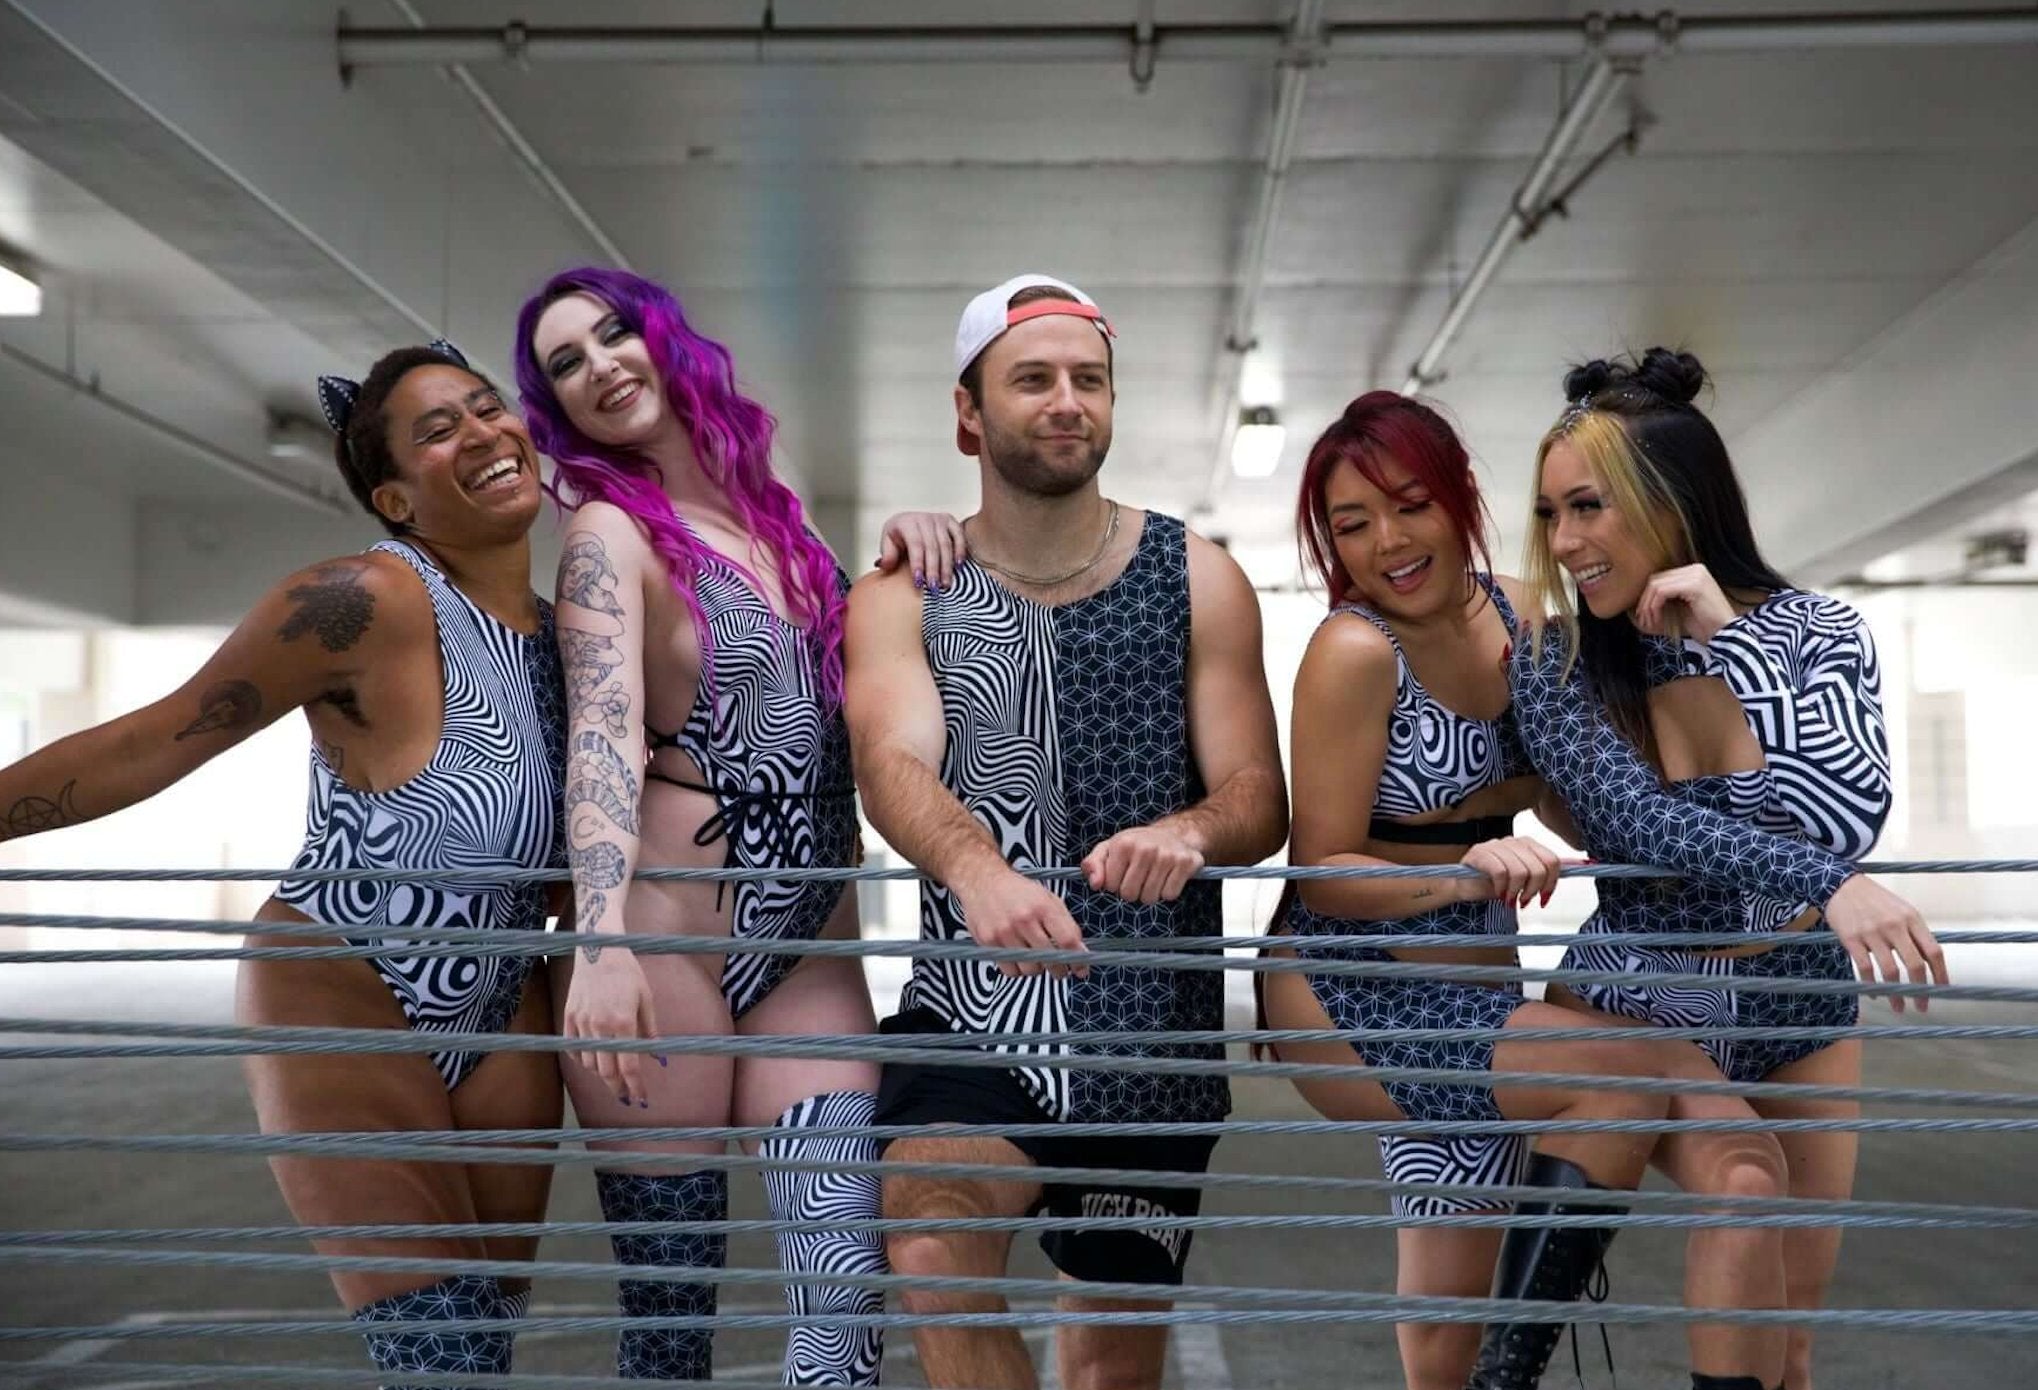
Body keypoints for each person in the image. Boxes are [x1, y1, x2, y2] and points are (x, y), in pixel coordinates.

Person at [0, 340, 567, 1383]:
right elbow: (156, 737)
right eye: (440, 429)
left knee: (480, 1348)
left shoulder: (576, 635)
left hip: (501, 1005)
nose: (484, 432)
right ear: (394, 497)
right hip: (345, 978)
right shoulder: (364, 598)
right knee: (436, 1352)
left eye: (487, 408)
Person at [1259, 391, 1799, 1390]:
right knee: (1622, 1072)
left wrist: (1737, 847)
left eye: (1409, 503)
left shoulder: (1523, 614)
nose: (1387, 540)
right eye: (1350, 523)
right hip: (1348, 984)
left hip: (1476, 980)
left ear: (1458, 497)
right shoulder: (1352, 651)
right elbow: (1320, 873)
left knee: (1459, 1301)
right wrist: (1462, 872)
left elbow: (1576, 799)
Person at [515, 266, 965, 1385]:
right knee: (672, 1320)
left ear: (662, 339)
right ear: (557, 408)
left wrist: (904, 552)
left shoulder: (774, 515)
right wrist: (601, 938)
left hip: (805, 940)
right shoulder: (609, 537)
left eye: (613, 334)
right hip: (667, 942)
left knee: (840, 1290)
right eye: (566, 364)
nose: (600, 367)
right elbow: (605, 734)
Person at [843, 273, 1288, 1390]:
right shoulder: (909, 589)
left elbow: (1257, 794)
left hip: (1151, 1038)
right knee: (937, 1250)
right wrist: (973, 867)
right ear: (968, 413)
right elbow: (889, 760)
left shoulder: (1200, 577)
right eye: (1031, 378)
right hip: (977, 1011)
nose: (1065, 401)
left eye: (1088, 379)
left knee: (1106, 1365)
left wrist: (1191, 829)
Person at [1510, 348, 1945, 1390]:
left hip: (1794, 994)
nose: (1564, 542)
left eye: (1587, 508)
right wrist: (1832, 886)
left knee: (1787, 1339)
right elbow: (1636, 822)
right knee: (1534, 1297)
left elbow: (1846, 818)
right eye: (1550, 513)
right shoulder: (1554, 658)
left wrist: (1736, 645)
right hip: (1632, 994)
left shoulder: (1815, 631)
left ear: (1672, 499)